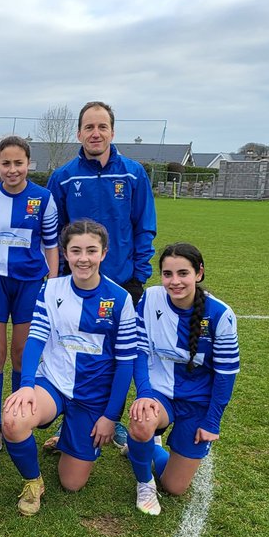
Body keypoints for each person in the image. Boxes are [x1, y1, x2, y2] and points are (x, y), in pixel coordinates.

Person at [0, 220, 137, 516]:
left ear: (104, 253)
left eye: (91, 250)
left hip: (92, 397)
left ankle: (70, 436)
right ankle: (33, 482)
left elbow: (126, 363)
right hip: (52, 384)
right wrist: (26, 385)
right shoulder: (51, 288)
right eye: (75, 250)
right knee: (13, 419)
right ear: (65, 253)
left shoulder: (120, 299)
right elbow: (35, 339)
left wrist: (110, 417)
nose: (83, 258)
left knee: (72, 483)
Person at [45, 101, 157, 452]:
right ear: (78, 133)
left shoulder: (134, 173)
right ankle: (70, 421)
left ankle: (114, 419)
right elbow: (52, 233)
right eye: (89, 127)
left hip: (121, 283)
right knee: (71, 348)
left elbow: (144, 226)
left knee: (115, 354)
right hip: (74, 286)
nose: (95, 133)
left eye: (102, 127)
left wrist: (138, 274)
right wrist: (59, 278)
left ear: (112, 131)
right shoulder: (63, 177)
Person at [126, 242, 239, 515]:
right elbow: (138, 351)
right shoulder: (150, 299)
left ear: (198, 273)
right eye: (167, 274)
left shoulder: (220, 315)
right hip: (160, 394)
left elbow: (225, 375)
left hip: (198, 403)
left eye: (183, 273)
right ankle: (145, 482)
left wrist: (212, 421)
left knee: (175, 487)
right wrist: (144, 393)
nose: (174, 282)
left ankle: (145, 448)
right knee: (142, 422)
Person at [0, 135, 59, 453]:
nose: (12, 170)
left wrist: (51, 285)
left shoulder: (44, 198)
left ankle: (16, 417)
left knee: (22, 355)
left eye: (18, 163)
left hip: (30, 284)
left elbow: (51, 245)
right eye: (6, 163)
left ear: (28, 164)